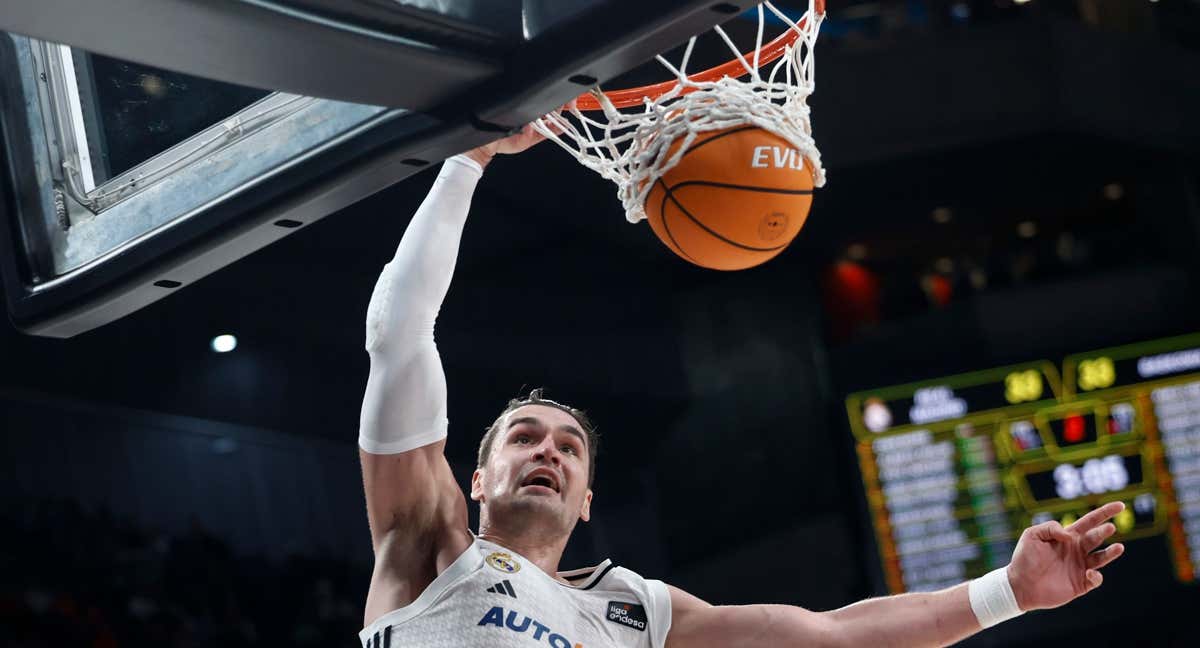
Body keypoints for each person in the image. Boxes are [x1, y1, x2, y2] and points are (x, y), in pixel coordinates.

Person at [355, 125, 1126, 647]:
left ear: (589, 499)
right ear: (479, 479)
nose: (548, 451)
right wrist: (470, 160)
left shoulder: (632, 613)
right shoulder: (429, 540)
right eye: (524, 437)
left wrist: (1009, 593)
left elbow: (833, 637)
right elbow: (398, 333)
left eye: (569, 446)